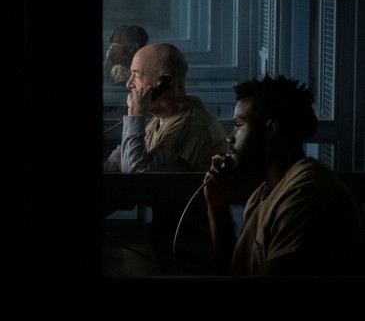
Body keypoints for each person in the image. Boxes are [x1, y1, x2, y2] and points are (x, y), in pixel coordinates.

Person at [203, 74, 364, 275]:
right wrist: (218, 208)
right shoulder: (264, 192)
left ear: (271, 129)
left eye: (238, 125)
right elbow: (234, 271)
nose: (230, 138)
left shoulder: (303, 195)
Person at [103, 43, 228, 274]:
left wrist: (135, 115)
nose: (129, 84)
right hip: (169, 237)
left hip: (189, 250)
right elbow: (123, 153)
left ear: (164, 82)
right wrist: (116, 161)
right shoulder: (165, 117)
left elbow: (137, 179)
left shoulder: (189, 124)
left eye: (137, 76)